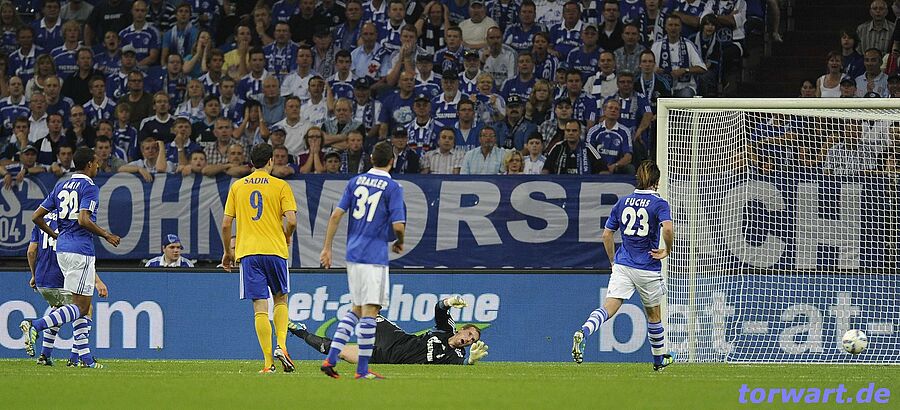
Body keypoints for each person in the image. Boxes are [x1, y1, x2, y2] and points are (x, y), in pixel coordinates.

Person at [22, 147, 121, 368]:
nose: (98, 166)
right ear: (89, 164)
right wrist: (106, 235)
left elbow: (36, 217)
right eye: (96, 162)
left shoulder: (61, 185)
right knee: (82, 307)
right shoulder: (90, 187)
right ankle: (36, 325)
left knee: (74, 305)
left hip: (63, 250)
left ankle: (83, 358)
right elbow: (84, 219)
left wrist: (55, 235)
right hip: (80, 249)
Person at [571, 160, 675, 371]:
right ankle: (658, 361)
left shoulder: (623, 202)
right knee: (654, 316)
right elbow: (667, 229)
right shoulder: (659, 203)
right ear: (657, 181)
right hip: (647, 266)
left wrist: (613, 261)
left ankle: (584, 331)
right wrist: (667, 250)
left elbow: (606, 235)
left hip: (623, 264)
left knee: (608, 307)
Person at [319, 140, 406, 380]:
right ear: (392, 161)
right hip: (373, 255)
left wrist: (327, 248)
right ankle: (362, 369)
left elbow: (336, 215)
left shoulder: (355, 181)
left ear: (371, 159)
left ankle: (331, 359)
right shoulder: (393, 187)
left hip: (353, 253)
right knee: (371, 310)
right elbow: (398, 226)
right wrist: (400, 241)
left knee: (357, 308)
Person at [221, 143, 298, 374]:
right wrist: (286, 235)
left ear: (251, 163)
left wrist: (227, 252)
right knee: (280, 299)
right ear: (271, 160)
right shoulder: (280, 185)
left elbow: (226, 224)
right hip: (275, 250)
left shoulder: (238, 187)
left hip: (249, 252)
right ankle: (282, 346)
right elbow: (292, 220)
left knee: (259, 307)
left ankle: (268, 364)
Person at [289, 297, 487, 365]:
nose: (468, 340)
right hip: (396, 339)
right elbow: (440, 309)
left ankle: (301, 332)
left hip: (384, 357)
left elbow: (460, 363)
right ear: (462, 330)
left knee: (337, 351)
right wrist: (449, 301)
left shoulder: (457, 355)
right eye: (469, 334)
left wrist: (470, 361)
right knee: (369, 310)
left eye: (472, 340)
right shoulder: (447, 329)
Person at [28, 207, 109, 368]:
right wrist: (98, 281)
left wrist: (34, 275)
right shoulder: (70, 222)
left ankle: (45, 355)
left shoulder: (42, 220)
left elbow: (31, 251)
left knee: (59, 311)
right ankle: (79, 357)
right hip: (60, 275)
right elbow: (78, 259)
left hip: (42, 279)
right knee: (85, 308)